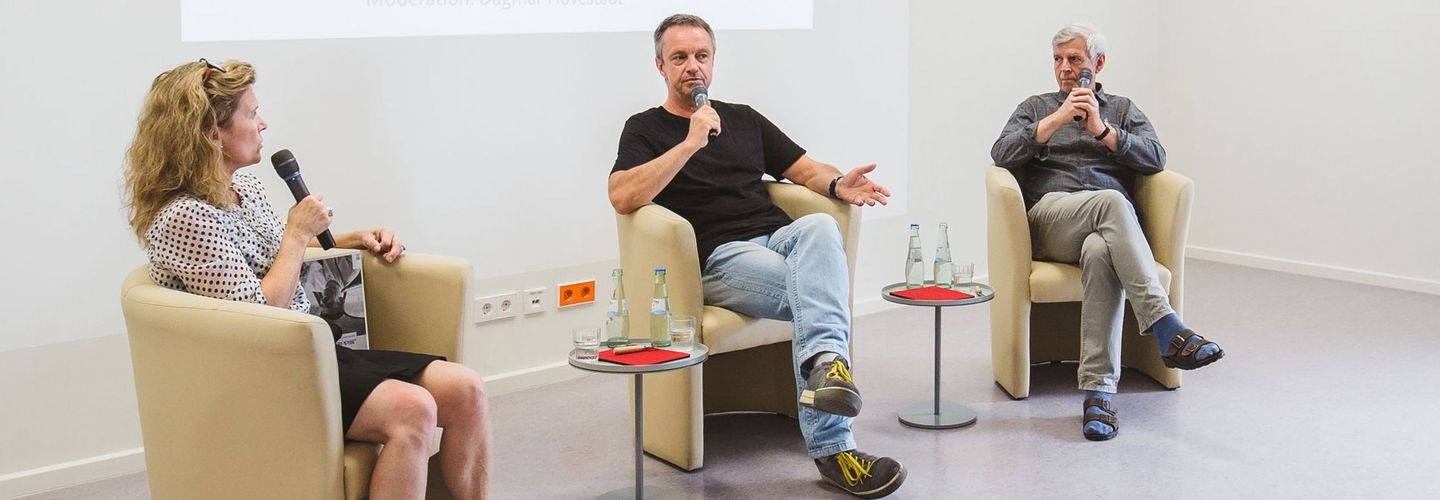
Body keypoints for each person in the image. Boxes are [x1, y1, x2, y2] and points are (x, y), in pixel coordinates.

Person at [122, 58, 491, 498]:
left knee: (467, 390)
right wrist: (297, 231)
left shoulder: (247, 188)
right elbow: (256, 317)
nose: (263, 124)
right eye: (251, 114)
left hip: (314, 351)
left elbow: (273, 255)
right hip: (265, 370)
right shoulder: (185, 217)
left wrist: (352, 238)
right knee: (414, 410)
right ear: (211, 133)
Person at [608, 14, 905, 498]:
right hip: (721, 259)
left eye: (701, 56)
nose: (692, 67)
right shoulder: (644, 128)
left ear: (713, 61)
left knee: (820, 223)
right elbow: (622, 196)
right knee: (816, 291)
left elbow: (806, 170)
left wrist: (835, 184)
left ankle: (826, 363)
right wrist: (690, 143)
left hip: (777, 238)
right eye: (679, 57)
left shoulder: (743, 117)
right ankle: (835, 450)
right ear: (660, 66)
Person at [990, 23, 1226, 441]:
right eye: (1058, 60)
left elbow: (1156, 158)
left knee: (1101, 251)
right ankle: (1165, 323)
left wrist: (1102, 130)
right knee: (1113, 201)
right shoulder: (1036, 106)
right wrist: (1056, 120)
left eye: (1074, 60)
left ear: (1097, 64)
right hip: (1052, 221)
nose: (1064, 69)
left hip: (1106, 231)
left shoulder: (1121, 109)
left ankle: (1098, 394)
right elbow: (1001, 153)